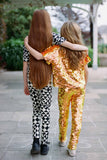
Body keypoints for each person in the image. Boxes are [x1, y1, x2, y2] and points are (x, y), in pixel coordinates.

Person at [23, 9, 88, 156]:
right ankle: (50, 145)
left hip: (36, 79)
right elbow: (72, 48)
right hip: (57, 82)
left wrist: (25, 83)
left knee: (39, 111)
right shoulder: (53, 38)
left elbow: (27, 63)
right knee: (51, 112)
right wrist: (85, 48)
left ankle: (38, 142)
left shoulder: (31, 40)